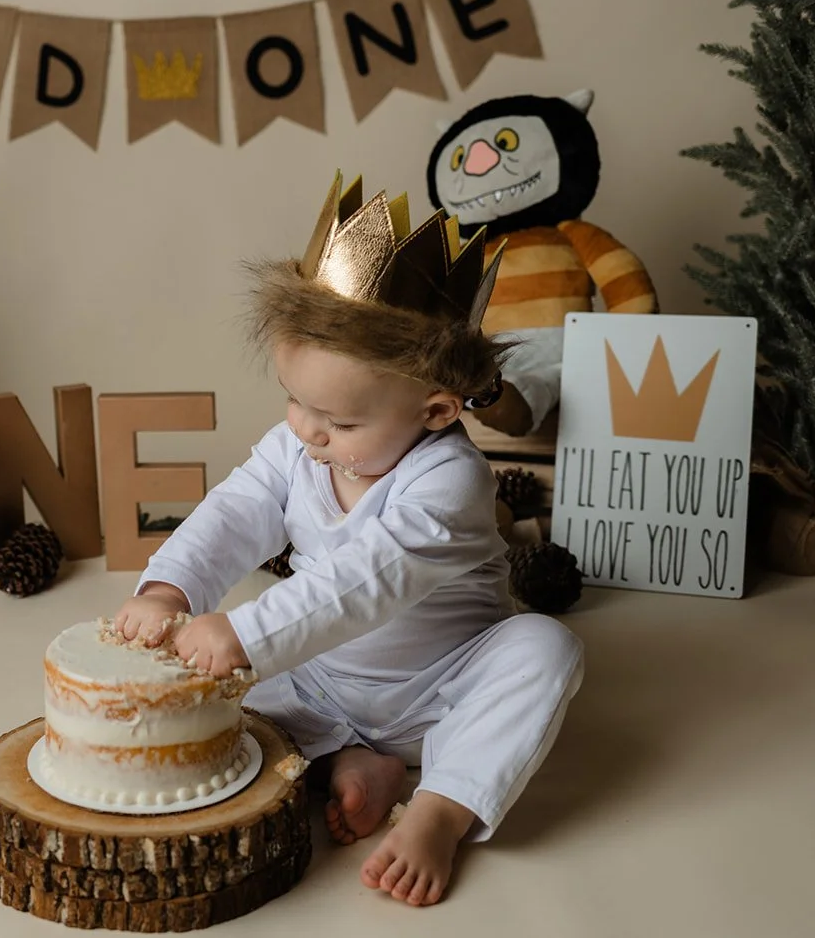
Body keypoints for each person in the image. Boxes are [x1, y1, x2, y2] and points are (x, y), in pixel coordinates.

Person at [114, 173, 584, 907]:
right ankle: (357, 757)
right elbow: (235, 510)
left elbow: (366, 581)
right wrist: (172, 588)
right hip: (318, 675)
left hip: (442, 685)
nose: (306, 428)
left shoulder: (449, 481)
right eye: (294, 398)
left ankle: (442, 806)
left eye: (336, 420)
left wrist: (244, 631)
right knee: (215, 717)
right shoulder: (297, 445)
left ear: (433, 410)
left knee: (545, 650)